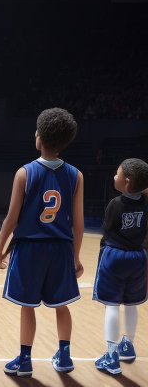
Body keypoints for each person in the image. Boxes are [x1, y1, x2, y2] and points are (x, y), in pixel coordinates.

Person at [0, 107, 84, 377]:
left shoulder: (25, 173)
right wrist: (76, 256)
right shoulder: (76, 175)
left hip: (30, 248)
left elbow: (11, 218)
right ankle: (65, 356)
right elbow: (77, 223)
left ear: (39, 138)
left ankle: (25, 360)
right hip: (60, 248)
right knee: (61, 305)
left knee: (28, 306)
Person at [92, 158, 148, 375]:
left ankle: (112, 355)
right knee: (132, 303)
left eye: (117, 174)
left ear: (126, 181)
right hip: (138, 256)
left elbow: (107, 231)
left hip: (115, 256)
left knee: (112, 305)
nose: (114, 177)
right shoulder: (145, 202)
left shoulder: (115, 204)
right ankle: (128, 345)